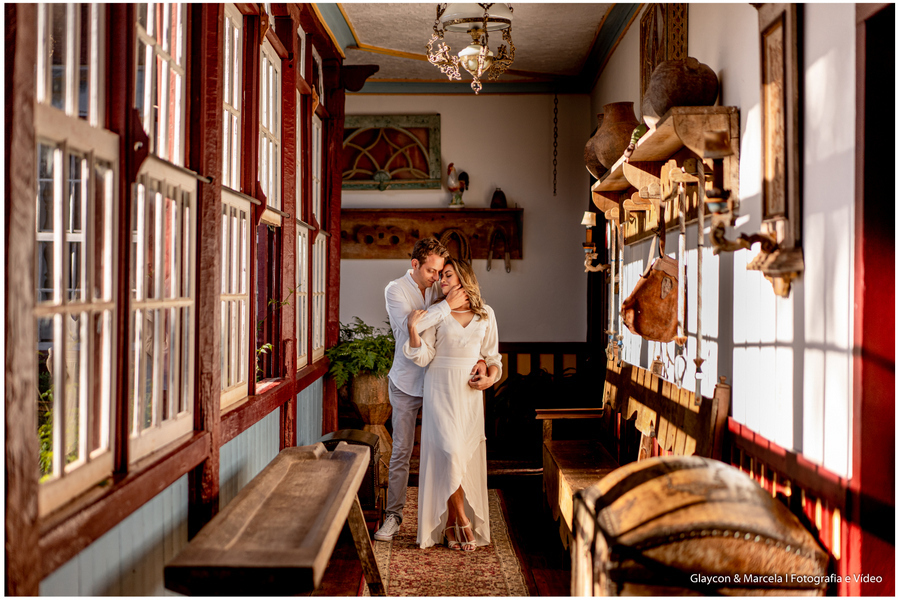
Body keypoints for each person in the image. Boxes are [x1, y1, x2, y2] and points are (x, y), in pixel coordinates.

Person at [374, 239, 486, 542]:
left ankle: (451, 518)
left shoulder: (439, 289)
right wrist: (446, 307)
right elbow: (416, 329)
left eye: (441, 272)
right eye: (431, 271)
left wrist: (479, 359)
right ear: (415, 265)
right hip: (407, 383)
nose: (437, 278)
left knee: (448, 451)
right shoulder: (395, 290)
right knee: (401, 451)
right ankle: (393, 517)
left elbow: (453, 332)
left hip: (443, 386)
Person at [404, 257, 501, 551]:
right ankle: (462, 520)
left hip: (469, 395)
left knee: (461, 456)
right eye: (441, 275)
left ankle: (449, 525)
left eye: (447, 275)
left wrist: (489, 379)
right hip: (440, 389)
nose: (441, 280)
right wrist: (412, 332)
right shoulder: (437, 312)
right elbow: (423, 356)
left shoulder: (486, 314)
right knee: (450, 452)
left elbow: (493, 358)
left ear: (463, 279)